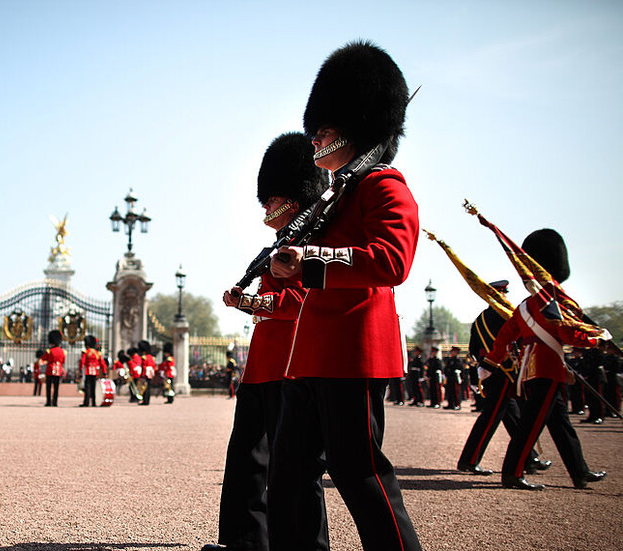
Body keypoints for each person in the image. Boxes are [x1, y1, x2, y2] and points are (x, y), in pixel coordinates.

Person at [268, 41, 422, 551]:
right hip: (311, 353)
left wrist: (312, 261)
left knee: (360, 474)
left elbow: (391, 261)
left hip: (352, 351)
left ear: (354, 125)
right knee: (288, 475)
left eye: (324, 129)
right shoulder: (340, 194)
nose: (316, 137)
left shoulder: (384, 186)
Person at [203, 131, 326, 551]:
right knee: (247, 461)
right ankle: (246, 541)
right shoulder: (281, 243)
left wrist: (249, 301)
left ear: (293, 198)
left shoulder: (308, 245)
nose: (266, 206)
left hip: (290, 363)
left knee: (292, 467)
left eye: (271, 199)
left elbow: (295, 302)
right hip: (262, 364)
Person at [483, 229, 609, 490]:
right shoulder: (551, 303)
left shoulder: (526, 305)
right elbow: (566, 332)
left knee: (561, 423)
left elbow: (505, 337)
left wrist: (490, 363)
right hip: (547, 368)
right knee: (530, 424)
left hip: (530, 369)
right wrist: (597, 338)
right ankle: (512, 473)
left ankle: (579, 471)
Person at [456, 280, 548, 476]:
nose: (504, 296)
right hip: (503, 370)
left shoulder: (480, 319)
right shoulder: (505, 315)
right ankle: (469, 460)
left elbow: (473, 349)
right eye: (502, 293)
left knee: (512, 416)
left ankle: (528, 458)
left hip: (489, 371)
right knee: (490, 417)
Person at [42, 330, 65, 407]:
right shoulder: (62, 351)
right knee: (56, 388)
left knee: (48, 387)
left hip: (50, 370)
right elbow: (63, 361)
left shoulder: (49, 351)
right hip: (58, 370)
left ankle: (48, 401)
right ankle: (55, 402)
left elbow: (44, 358)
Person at [80, 335, 103, 407]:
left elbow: (82, 362)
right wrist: (104, 371)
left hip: (88, 371)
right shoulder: (97, 353)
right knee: (93, 387)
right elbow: (102, 363)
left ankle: (86, 402)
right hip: (95, 371)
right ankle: (93, 402)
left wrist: (80, 369)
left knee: (87, 388)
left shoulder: (86, 352)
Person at [139, 340, 156, 406]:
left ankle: (145, 401)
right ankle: (147, 400)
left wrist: (142, 375)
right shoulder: (151, 357)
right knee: (148, 388)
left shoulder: (144, 357)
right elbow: (153, 366)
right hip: (150, 374)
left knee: (144, 388)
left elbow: (144, 366)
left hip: (145, 374)